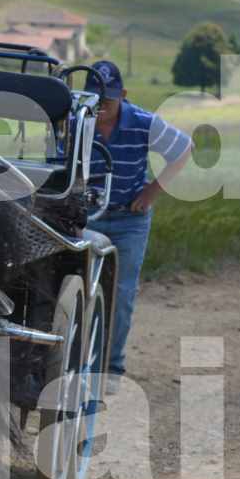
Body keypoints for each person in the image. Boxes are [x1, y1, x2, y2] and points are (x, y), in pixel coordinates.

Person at [84, 60, 193, 392]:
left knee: (122, 293)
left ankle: (111, 368)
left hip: (129, 220)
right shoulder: (77, 121)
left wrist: (152, 191)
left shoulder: (145, 123)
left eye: (108, 100)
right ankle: (74, 359)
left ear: (123, 95)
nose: (101, 108)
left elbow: (184, 148)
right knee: (80, 286)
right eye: (95, 100)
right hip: (86, 215)